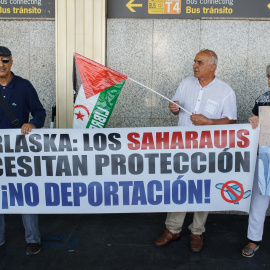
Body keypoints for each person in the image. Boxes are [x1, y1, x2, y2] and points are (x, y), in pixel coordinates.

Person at [154, 49, 237, 252]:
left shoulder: (225, 91)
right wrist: (173, 107)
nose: (195, 65)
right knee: (179, 187)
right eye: (194, 61)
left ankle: (197, 231)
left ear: (212, 66)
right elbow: (175, 106)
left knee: (202, 189)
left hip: (208, 151)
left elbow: (231, 120)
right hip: (181, 147)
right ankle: (173, 229)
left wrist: (208, 121)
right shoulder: (185, 84)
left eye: (200, 62)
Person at [0, 46, 46, 255]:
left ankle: (33, 240)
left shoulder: (24, 86)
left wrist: (34, 124)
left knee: (25, 194)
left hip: (20, 152)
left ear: (11, 62)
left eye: (5, 60)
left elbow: (39, 111)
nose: (1, 64)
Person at [242, 64, 270, 258]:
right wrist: (253, 120)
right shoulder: (262, 99)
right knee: (259, 200)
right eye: (269, 76)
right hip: (265, 155)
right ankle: (254, 239)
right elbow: (254, 119)